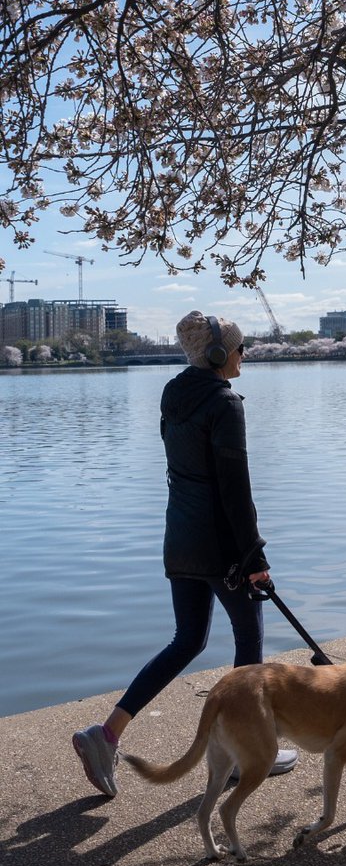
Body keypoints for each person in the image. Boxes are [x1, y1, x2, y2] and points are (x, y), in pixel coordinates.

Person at [72, 310, 298, 797]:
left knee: (188, 640)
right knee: (249, 647)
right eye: (239, 348)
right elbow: (235, 488)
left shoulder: (173, 395)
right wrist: (254, 555)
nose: (244, 355)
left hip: (180, 540)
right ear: (219, 355)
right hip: (221, 547)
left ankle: (106, 733)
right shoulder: (225, 404)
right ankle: (246, 756)